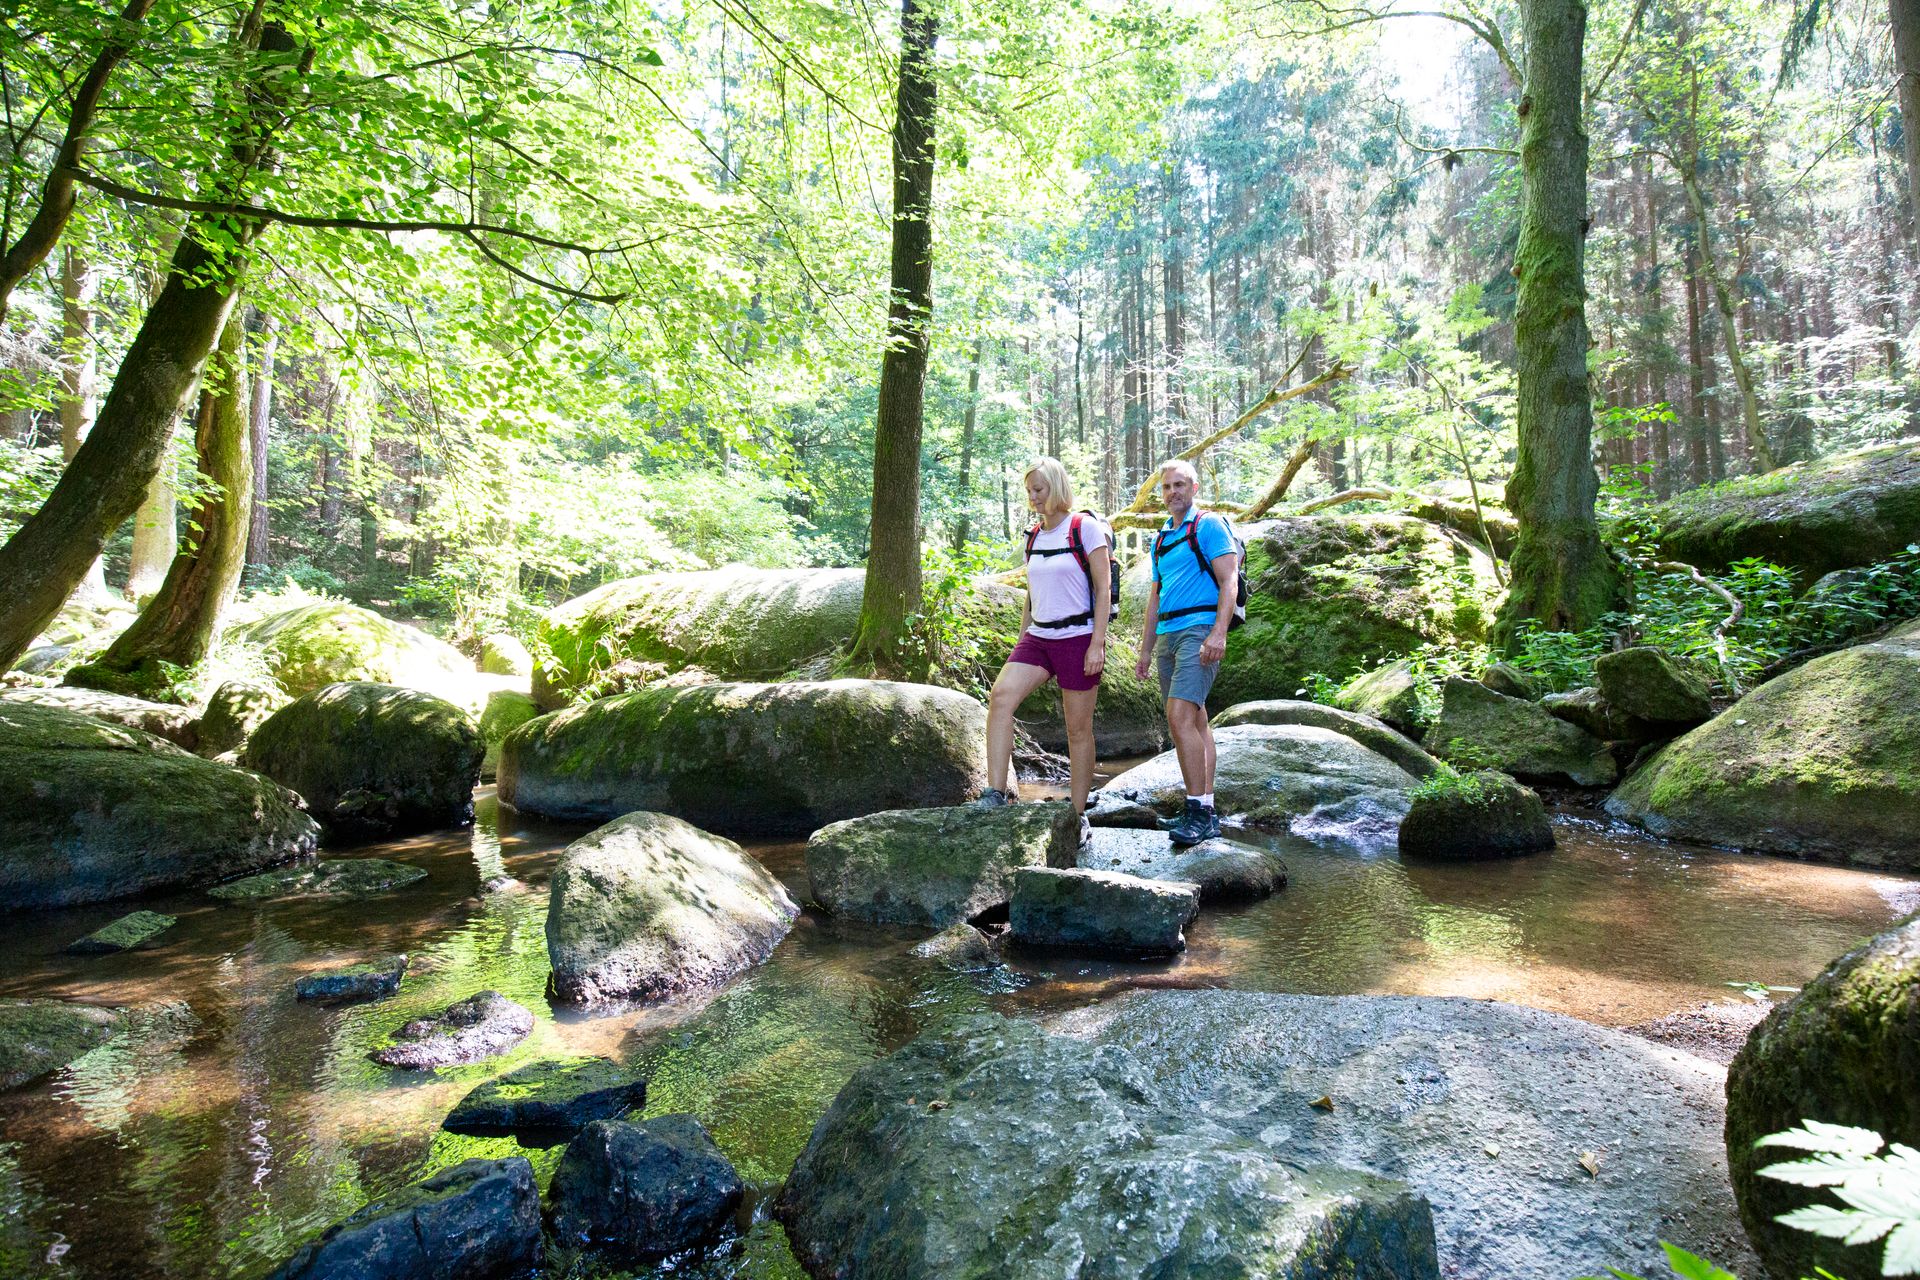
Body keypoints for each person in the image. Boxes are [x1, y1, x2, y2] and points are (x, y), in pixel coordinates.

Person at [976, 458, 1111, 846]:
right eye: (1029, 491)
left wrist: (1097, 643)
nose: (1033, 497)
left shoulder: (1084, 528)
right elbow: (1031, 596)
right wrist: (1022, 641)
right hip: (1038, 637)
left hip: (1077, 637)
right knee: (1001, 697)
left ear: (1056, 487)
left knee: (1077, 728)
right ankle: (995, 793)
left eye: (1039, 489)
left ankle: (1078, 814)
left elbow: (1103, 588)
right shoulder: (1033, 537)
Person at [1133, 458, 1240, 846]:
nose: (1172, 492)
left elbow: (1229, 580)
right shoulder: (1161, 538)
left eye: (1179, 485)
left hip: (1199, 631)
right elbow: (1155, 596)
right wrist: (1145, 650)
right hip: (1168, 635)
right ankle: (1206, 809)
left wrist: (1218, 633)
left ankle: (1197, 812)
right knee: (1195, 721)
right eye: (1166, 487)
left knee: (1178, 717)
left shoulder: (1208, 525)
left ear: (1194, 488)